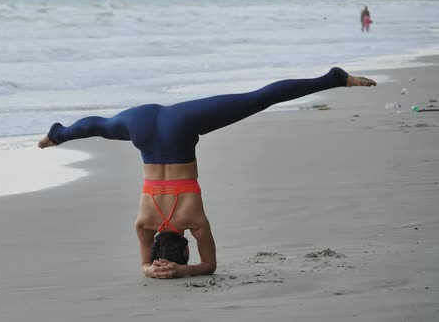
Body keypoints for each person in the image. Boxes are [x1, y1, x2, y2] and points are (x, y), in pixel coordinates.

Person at [38, 67, 376, 279]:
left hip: (179, 129)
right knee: (100, 125)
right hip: (142, 126)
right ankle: (57, 134)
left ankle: (335, 79)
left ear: (186, 248)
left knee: (257, 100)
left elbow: (210, 266)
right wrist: (151, 268)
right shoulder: (144, 225)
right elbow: (144, 265)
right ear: (156, 246)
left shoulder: (194, 222)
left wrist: (183, 271)